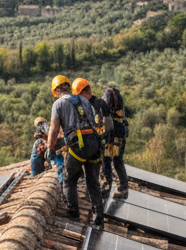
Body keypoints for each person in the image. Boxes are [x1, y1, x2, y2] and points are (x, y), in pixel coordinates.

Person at [49, 75, 104, 227]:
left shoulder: (58, 103)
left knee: (69, 179)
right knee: (93, 181)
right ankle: (99, 216)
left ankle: (73, 214)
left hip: (77, 147)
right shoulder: (84, 100)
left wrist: (50, 148)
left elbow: (54, 129)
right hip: (94, 144)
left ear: (55, 91)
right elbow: (92, 122)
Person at [100, 85, 129, 199]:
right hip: (118, 137)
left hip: (111, 137)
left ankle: (107, 189)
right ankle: (122, 188)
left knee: (107, 161)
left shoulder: (110, 116)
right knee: (117, 161)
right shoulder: (122, 118)